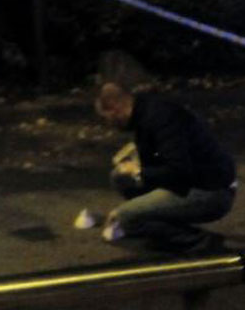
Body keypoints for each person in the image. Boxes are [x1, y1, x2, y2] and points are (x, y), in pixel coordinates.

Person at [95, 83, 237, 253]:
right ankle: (159, 222)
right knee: (121, 178)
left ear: (115, 109)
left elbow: (179, 171)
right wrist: (137, 158)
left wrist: (138, 171)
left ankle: (201, 242)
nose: (108, 123)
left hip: (209, 190)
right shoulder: (144, 112)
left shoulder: (161, 118)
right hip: (188, 183)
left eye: (106, 118)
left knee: (125, 219)